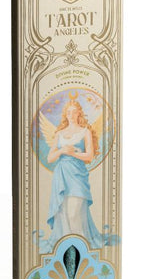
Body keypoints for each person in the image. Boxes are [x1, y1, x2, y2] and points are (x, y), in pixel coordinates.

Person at [45, 99, 103, 251]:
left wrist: (73, 153)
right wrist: (62, 151)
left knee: (74, 214)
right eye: (68, 112)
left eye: (74, 112)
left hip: (77, 176)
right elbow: (50, 158)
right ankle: (68, 250)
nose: (71, 115)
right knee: (63, 214)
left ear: (79, 114)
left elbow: (89, 156)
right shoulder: (59, 133)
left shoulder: (85, 132)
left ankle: (80, 248)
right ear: (65, 114)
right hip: (61, 176)